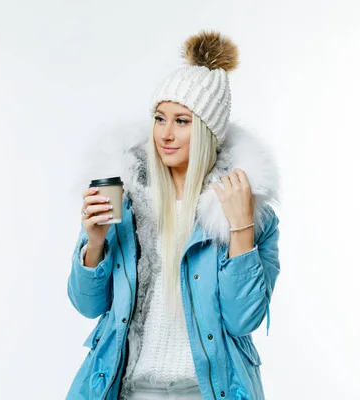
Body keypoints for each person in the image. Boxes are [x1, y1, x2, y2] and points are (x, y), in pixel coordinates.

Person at [66, 30, 281, 400]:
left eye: (182, 121)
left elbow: (243, 318)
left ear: (206, 131)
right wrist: (95, 242)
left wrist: (240, 228)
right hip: (126, 389)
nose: (165, 134)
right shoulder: (127, 201)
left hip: (209, 390)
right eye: (159, 118)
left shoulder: (247, 210)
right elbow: (87, 306)